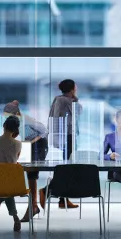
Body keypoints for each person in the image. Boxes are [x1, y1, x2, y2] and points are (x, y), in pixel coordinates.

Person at [0, 101, 47, 222]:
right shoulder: (16, 121)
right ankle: (33, 206)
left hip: (38, 145)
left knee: (31, 173)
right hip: (27, 145)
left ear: (17, 113)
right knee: (25, 171)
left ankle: (33, 206)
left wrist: (32, 141)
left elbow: (45, 131)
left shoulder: (27, 120)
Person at [40, 79, 80, 210]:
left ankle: (63, 199)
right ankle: (46, 191)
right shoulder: (61, 100)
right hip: (65, 137)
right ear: (72, 88)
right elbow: (56, 119)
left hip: (70, 136)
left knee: (67, 169)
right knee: (65, 169)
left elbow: (77, 114)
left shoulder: (71, 100)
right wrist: (57, 138)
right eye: (75, 86)